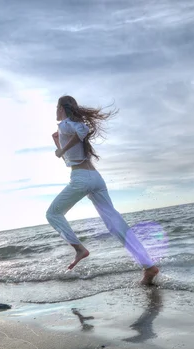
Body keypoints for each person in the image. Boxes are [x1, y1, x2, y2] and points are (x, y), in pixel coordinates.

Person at [46, 95, 159, 285]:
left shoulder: (66, 124)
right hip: (95, 178)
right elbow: (71, 155)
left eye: (56, 107)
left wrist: (62, 149)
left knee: (53, 214)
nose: (55, 111)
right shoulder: (68, 126)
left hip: (81, 178)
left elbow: (82, 131)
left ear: (61, 108)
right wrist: (59, 145)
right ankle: (148, 266)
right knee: (115, 223)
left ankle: (79, 249)